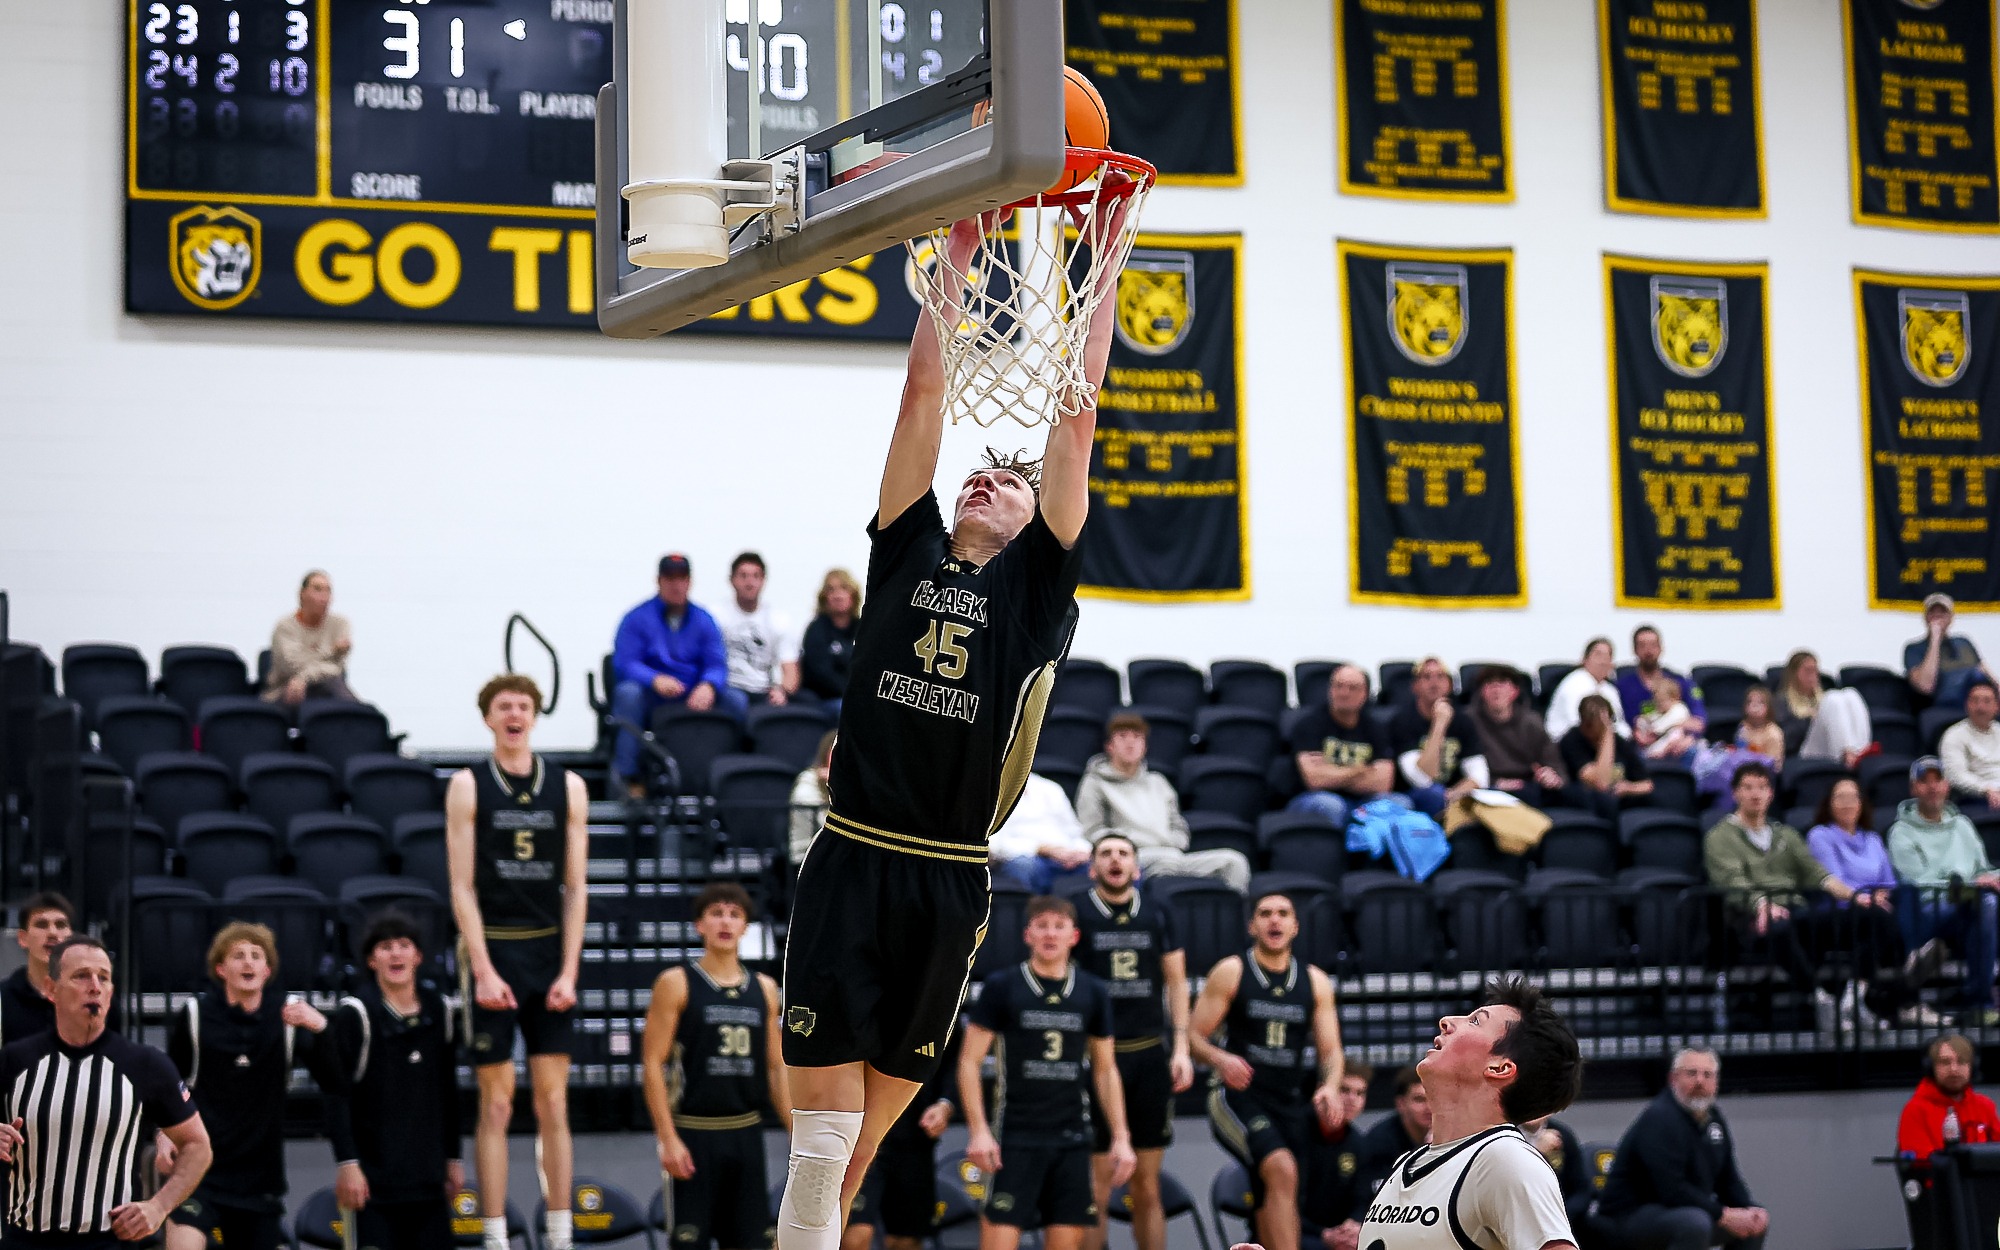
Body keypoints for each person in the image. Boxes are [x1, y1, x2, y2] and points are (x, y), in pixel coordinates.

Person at [776, 203, 1130, 1250]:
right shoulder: (904, 551)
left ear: (1032, 518)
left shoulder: (1035, 593)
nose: (988, 479)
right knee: (818, 1156)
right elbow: (922, 393)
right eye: (981, 472)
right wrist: (958, 256)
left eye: (1010, 483)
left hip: (945, 874)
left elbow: (1076, 417)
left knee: (853, 1162)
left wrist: (1099, 259)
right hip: (852, 852)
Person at [445, 675, 590, 1250]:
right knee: (498, 1102)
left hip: (549, 950)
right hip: (495, 948)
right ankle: (495, 1234)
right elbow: (461, 886)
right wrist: (482, 969)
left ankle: (560, 1232)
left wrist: (570, 971)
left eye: (523, 706)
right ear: (488, 718)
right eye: (504, 706)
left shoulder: (569, 786)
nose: (514, 714)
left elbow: (576, 888)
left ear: (534, 716)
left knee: (554, 1101)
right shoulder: (468, 785)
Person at [0, 936, 214, 1249]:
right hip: (25, 1241)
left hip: (110, 1242)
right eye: (81, 976)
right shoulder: (14, 1061)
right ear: (50, 988)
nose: (95, 986)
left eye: (103, 977)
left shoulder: (146, 1065)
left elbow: (197, 1145)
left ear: (111, 992)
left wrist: (158, 1206)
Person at [959, 897, 1135, 1250]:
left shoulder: (1093, 991)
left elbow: (1105, 1070)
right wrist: (979, 1131)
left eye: (1059, 926)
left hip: (1072, 1137)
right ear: (1028, 935)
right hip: (1014, 1136)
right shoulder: (1002, 986)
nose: (1050, 934)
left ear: (1074, 936)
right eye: (1042, 926)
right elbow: (968, 1062)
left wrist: (1121, 1136)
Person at [1356, 978, 1584, 1250]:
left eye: (1475, 1021)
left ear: (1500, 1068)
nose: (1446, 1021)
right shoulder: (1406, 1163)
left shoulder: (1505, 1160)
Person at [1705, 760, 1915, 1032]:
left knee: (1876, 916)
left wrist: (1855, 897)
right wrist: (1761, 904)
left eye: (1762, 787)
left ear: (1771, 793)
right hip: (1749, 917)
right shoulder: (1720, 836)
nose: (1755, 794)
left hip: (1796, 912)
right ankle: (1821, 1000)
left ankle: (1853, 998)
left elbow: (1818, 874)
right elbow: (1733, 881)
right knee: (1778, 927)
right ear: (1735, 793)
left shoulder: (1785, 834)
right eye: (1748, 788)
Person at [1190, 893, 1346, 1250]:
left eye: (1282, 913)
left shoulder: (1314, 980)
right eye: (1265, 913)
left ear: (1295, 926)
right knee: (1280, 1167)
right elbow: (1193, 1038)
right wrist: (1221, 1059)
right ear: (1252, 926)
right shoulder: (1232, 971)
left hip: (1287, 1098)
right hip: (1236, 1096)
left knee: (1279, 1188)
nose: (1274, 920)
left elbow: (1331, 1051)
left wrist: (1330, 1086)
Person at [163, 923, 331, 1250]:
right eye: (238, 955)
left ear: (267, 971)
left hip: (258, 1181)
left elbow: (334, 1080)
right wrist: (163, 1132)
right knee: (182, 1242)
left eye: (256, 956)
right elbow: (169, 1086)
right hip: (200, 1171)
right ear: (220, 969)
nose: (248, 962)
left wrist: (321, 1027)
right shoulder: (196, 1015)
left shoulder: (287, 1017)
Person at [643, 884, 790, 1250]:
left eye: (734, 915)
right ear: (699, 925)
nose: (725, 922)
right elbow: (652, 1063)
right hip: (693, 1132)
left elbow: (776, 1067)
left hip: (746, 1132)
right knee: (689, 1242)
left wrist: (795, 1130)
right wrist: (667, 1138)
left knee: (753, 1242)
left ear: (745, 928)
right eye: (716, 914)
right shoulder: (676, 982)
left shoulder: (765, 988)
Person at [1070, 835, 1192, 1250]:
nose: (1115, 860)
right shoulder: (1078, 910)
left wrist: (1181, 1048)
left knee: (1147, 1185)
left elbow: (1176, 982)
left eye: (1123, 853)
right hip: (1097, 1058)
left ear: (1136, 868)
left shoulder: (1157, 911)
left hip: (1148, 1055)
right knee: (1098, 1185)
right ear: (1092, 868)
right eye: (1105, 853)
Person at [324, 913, 465, 1250]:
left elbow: (449, 1092)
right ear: (372, 960)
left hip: (429, 1181)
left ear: (418, 956)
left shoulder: (439, 1010)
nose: (396, 954)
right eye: (386, 947)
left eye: (404, 945)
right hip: (373, 1185)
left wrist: (454, 1157)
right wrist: (347, 1163)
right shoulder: (355, 1013)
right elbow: (335, 1095)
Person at [1807, 779, 1947, 1029]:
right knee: (1882, 922)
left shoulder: (1872, 839)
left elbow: (1888, 881)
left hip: (1874, 914)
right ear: (1829, 804)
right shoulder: (1820, 836)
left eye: (1853, 797)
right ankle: (1907, 982)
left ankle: (1855, 998)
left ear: (1862, 804)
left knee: (1904, 898)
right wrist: (1867, 897)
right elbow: (1834, 880)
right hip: (1838, 912)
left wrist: (1879, 895)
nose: (1848, 803)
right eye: (1840, 797)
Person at [1598, 1048, 1768, 1250]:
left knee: (1753, 1222)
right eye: (1691, 1073)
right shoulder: (1659, 1118)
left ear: (1716, 1081)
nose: (1699, 1081)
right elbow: (1671, 1190)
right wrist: (1722, 1214)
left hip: (1683, 1210)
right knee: (1695, 1224)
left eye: (1707, 1075)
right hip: (1630, 1216)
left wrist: (1748, 1209)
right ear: (1673, 1079)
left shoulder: (1714, 1119)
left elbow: (1728, 1179)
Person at [1076, 713, 1249, 890]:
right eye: (1122, 736)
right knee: (1165, 863)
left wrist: (1172, 842)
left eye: (1137, 737)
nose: (1130, 743)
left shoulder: (1159, 782)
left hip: (1173, 853)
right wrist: (1130, 846)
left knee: (1234, 863)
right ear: (1109, 746)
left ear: (1145, 747)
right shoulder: (1094, 783)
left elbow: (1178, 825)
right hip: (1133, 857)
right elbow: (1093, 831)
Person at [611, 554, 738, 795]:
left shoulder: (704, 620)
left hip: (692, 694)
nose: (676, 585)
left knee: (735, 700)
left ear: (690, 582)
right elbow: (625, 663)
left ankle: (733, 775)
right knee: (628, 694)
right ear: (658, 581)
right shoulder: (636, 618)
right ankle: (630, 778)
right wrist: (654, 679)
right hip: (652, 696)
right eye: (670, 579)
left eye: (682, 578)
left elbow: (717, 664)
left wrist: (708, 685)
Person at [1889, 757, 2000, 1023]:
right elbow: (1917, 880)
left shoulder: (1962, 825)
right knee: (1985, 903)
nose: (1932, 787)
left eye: (1937, 780)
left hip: (1968, 902)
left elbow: (1982, 869)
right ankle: (1979, 1002)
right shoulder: (1900, 831)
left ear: (1947, 786)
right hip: (1927, 907)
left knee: (1987, 903)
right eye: (1924, 781)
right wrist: (1972, 884)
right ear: (1913, 788)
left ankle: (1978, 999)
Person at [843, 1033, 958, 1250]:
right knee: (855, 1235)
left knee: (906, 1239)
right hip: (862, 1132)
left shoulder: (935, 1011)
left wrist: (945, 1104)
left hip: (915, 1135)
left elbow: (955, 1057)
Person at [1287, 665, 1396, 828]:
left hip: (1363, 800)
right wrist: (1358, 771)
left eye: (1352, 688)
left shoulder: (1375, 728)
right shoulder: (1309, 725)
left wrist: (1332, 774)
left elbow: (1383, 783)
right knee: (1332, 805)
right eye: (1338, 686)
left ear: (1365, 694)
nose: (1344, 693)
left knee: (1399, 802)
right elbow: (1315, 780)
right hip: (1312, 799)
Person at [1388, 658, 1489, 818]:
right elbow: (1422, 778)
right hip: (1415, 795)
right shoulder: (1403, 720)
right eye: (1427, 677)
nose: (1434, 683)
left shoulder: (1464, 720)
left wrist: (1456, 793)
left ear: (1450, 685)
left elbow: (1479, 774)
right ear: (1415, 686)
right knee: (1433, 794)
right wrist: (1439, 724)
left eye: (1441, 677)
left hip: (1454, 793)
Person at [1466, 666, 1567, 809]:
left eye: (1502, 683)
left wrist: (1552, 776)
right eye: (1490, 684)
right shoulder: (1468, 722)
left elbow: (1553, 762)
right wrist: (1494, 783)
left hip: (1528, 785)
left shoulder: (1532, 722)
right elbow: (1465, 770)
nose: (1496, 689)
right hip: (1488, 789)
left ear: (1515, 691)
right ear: (1482, 691)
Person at [1299, 1059, 1372, 1250]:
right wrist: (1323, 1234)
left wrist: (1353, 1223)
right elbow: (1283, 1206)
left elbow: (1362, 1198)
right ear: (1322, 1090)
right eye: (1344, 1090)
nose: (1352, 1099)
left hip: (1337, 1237)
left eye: (1360, 1093)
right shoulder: (1293, 1134)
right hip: (1296, 1233)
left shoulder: (1358, 1143)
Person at [717, 552, 802, 709]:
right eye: (743, 576)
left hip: (763, 690)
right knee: (737, 702)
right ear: (732, 580)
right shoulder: (717, 616)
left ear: (763, 581)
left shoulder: (778, 620)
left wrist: (782, 690)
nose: (750, 583)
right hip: (728, 687)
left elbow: (790, 670)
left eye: (756, 576)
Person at [1350, 1067, 1432, 1226]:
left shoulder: (1452, 1136)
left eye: (1433, 1099)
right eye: (1419, 1100)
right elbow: (1375, 1198)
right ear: (1401, 1104)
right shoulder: (1379, 1142)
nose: (1428, 1107)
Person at [988, 772, 1094, 893]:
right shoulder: (991, 791)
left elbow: (1075, 832)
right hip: (1026, 857)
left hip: (1065, 854)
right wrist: (1042, 849)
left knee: (1096, 864)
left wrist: (1079, 852)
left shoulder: (1049, 787)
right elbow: (995, 844)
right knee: (1024, 866)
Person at [263, 569, 356, 704]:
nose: (324, 597)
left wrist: (303, 678)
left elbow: (337, 669)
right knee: (300, 691)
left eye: (328, 591)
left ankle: (361, 713)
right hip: (285, 689)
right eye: (317, 589)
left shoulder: (340, 624)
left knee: (333, 685)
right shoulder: (285, 627)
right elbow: (292, 668)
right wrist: (333, 651)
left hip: (325, 685)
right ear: (302, 594)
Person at [1898, 1033, 2000, 1154]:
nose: (1953, 1069)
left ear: (1972, 1067)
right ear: (1932, 1068)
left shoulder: (1984, 1106)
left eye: (1961, 1062)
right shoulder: (1915, 1110)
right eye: (1945, 1062)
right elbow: (1919, 1159)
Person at [1556, 695, 1654, 820]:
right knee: (1606, 800)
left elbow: (1647, 785)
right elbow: (1601, 783)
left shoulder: (1619, 742)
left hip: (1624, 806)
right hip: (1588, 808)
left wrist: (1629, 788)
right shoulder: (1572, 741)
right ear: (1585, 723)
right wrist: (1607, 734)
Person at [1773, 650, 1873, 768]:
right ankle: (1848, 756)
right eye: (1807, 671)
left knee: (1851, 693)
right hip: (1803, 753)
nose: (1813, 676)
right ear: (1794, 674)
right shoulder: (1782, 701)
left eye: (1815, 671)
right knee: (1832, 698)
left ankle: (1860, 751)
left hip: (1829, 749)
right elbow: (1786, 739)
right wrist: (1809, 718)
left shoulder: (1821, 697)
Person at [0, 892, 77, 1045]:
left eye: (60, 925)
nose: (52, 933)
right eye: (41, 925)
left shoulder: (91, 995)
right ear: (22, 938)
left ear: (71, 937)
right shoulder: (3, 998)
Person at [1907, 593, 1994, 709]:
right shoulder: (1914, 649)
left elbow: (1983, 670)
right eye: (1932, 612)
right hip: (1945, 703)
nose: (1937, 615)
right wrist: (1935, 639)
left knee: (1977, 677)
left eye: (1942, 612)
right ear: (1925, 617)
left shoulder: (1963, 641)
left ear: (1951, 617)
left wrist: (1997, 687)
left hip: (1977, 699)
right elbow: (1926, 686)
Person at [1617, 626, 1707, 737]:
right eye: (1642, 645)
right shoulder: (1623, 686)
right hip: (1638, 743)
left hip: (1680, 740)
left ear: (1661, 648)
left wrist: (1683, 731)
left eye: (1653, 645)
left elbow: (1699, 722)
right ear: (1634, 650)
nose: (1648, 651)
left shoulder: (1680, 682)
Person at [799, 569, 862, 716]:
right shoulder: (817, 629)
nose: (838, 595)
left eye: (844, 589)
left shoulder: (863, 629)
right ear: (824, 597)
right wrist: (853, 694)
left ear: (853, 595)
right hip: (825, 700)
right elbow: (822, 674)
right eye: (831, 590)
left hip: (857, 696)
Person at [1546, 638, 1628, 741]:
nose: (1603, 661)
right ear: (1584, 660)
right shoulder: (1574, 683)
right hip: (1567, 742)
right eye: (1598, 655)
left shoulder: (1610, 690)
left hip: (1602, 741)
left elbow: (1619, 723)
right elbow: (1577, 723)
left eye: (1608, 656)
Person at [1523, 1115, 1594, 1229]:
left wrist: (1560, 1219)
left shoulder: (1562, 1135)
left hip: (1560, 1217)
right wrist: (1537, 1151)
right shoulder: (1504, 1135)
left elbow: (1581, 1190)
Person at [1940, 679, 2000, 812]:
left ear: (1997, 706)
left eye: (1987, 701)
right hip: (1978, 797)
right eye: (1975, 701)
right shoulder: (1954, 735)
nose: (1980, 707)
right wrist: (1986, 789)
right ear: (1967, 704)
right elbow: (1955, 775)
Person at [790, 731, 836, 867]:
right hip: (805, 860)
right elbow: (828, 829)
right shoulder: (807, 783)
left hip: (837, 859)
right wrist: (834, 788)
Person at [1635, 672, 1701, 762]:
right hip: (1661, 739)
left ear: (1674, 698)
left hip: (1679, 743)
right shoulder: (1661, 711)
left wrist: (1653, 729)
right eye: (1656, 702)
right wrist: (1642, 720)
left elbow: (1663, 725)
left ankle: (1657, 752)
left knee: (1676, 733)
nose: (1659, 705)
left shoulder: (1679, 709)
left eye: (1662, 701)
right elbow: (1652, 718)